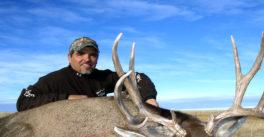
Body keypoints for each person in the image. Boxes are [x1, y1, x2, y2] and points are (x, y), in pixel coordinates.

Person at [16, 37, 158, 111]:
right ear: (69, 57)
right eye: (80, 54)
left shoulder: (102, 77)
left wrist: (149, 99)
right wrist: (66, 98)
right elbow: (24, 101)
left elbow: (138, 77)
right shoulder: (54, 80)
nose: (87, 59)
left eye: (93, 55)